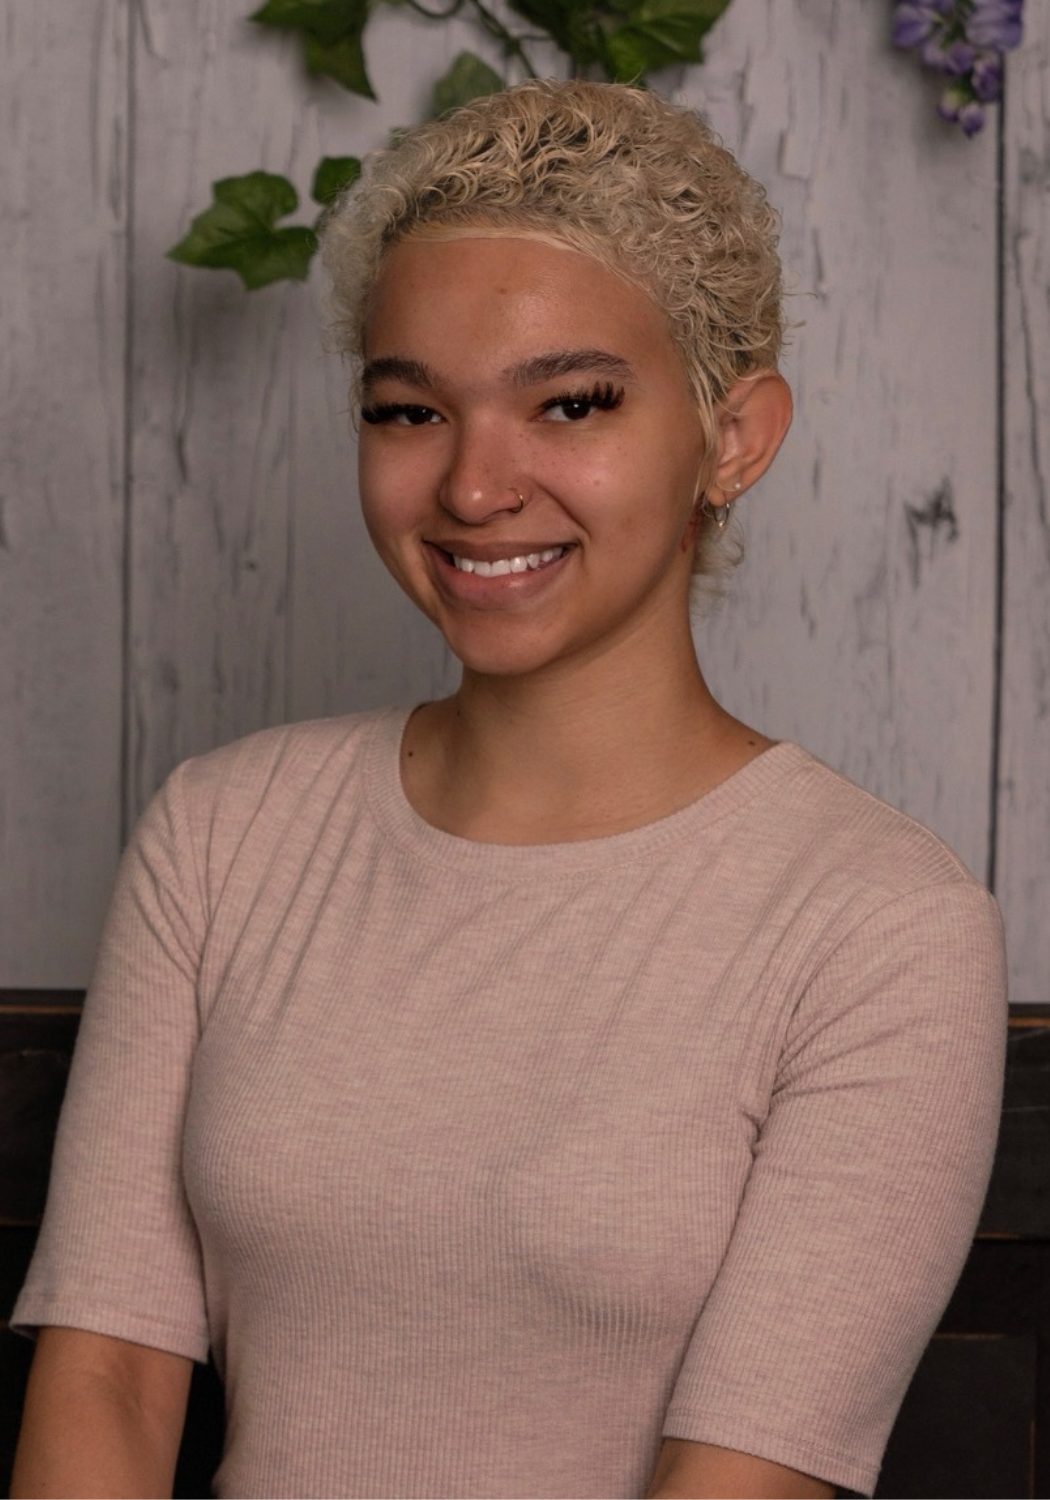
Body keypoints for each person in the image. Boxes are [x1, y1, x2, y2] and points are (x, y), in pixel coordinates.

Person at [12, 79, 1005, 1500]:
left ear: (732, 436)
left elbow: (742, 1482)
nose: (475, 488)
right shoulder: (224, 833)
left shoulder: (878, 925)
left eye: (571, 403)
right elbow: (103, 1387)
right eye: (409, 410)